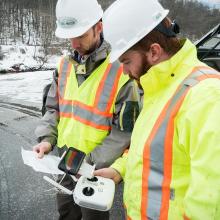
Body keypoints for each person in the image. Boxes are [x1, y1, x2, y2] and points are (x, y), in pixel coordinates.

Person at [94, 0, 220, 219]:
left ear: (154, 51)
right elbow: (152, 151)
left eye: (126, 61)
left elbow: (209, 204)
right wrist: (120, 169)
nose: (124, 72)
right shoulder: (159, 88)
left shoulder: (207, 97)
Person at [32, 0, 140, 220]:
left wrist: (88, 161)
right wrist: (47, 139)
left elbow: (125, 133)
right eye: (69, 36)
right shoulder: (63, 66)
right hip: (63, 165)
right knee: (66, 214)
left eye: (80, 35)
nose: (74, 43)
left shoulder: (122, 71)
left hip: (95, 171)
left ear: (98, 27)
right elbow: (53, 109)